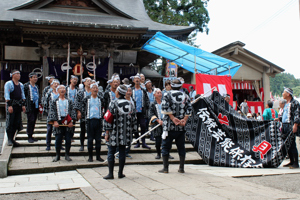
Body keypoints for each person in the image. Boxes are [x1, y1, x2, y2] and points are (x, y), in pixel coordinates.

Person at [103, 85, 137, 179]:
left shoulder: (113, 103)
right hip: (125, 132)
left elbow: (108, 118)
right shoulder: (130, 104)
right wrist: (133, 130)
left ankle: (110, 173)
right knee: (122, 152)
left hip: (114, 132)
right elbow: (134, 119)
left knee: (111, 151)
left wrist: (107, 132)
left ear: (117, 92)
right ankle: (120, 173)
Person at [159, 78, 192, 173]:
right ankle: (181, 168)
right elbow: (189, 108)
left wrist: (173, 118)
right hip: (181, 127)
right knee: (181, 147)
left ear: (171, 86)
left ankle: (165, 168)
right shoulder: (185, 96)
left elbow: (165, 107)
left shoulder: (166, 94)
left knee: (165, 147)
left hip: (169, 126)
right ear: (181, 86)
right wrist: (184, 120)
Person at [48, 85, 76, 162]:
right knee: (58, 139)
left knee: (68, 139)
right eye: (61, 88)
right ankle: (57, 155)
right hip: (58, 120)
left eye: (64, 88)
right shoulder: (54, 101)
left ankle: (67, 154)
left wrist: (71, 121)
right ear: (58, 90)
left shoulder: (69, 100)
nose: (62, 90)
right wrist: (54, 121)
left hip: (67, 120)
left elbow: (73, 111)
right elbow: (52, 111)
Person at [275, 88, 300, 169]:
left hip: (291, 125)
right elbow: (286, 114)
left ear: (288, 94)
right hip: (285, 125)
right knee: (287, 144)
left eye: (284, 92)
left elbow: (297, 114)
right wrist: (279, 118)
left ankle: (296, 163)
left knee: (292, 144)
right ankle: (291, 161)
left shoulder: (295, 102)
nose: (282, 94)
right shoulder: (286, 103)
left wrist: (295, 125)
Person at [81, 83, 104, 162]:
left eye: (96, 88)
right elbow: (83, 108)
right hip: (90, 120)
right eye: (93, 88)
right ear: (90, 89)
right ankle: (90, 156)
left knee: (98, 139)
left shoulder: (100, 98)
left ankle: (98, 156)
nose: (95, 89)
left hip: (98, 120)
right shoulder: (87, 99)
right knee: (90, 139)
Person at [149, 88, 174, 160]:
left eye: (160, 93)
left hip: (166, 124)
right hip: (157, 125)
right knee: (158, 141)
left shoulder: (165, 102)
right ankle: (158, 153)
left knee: (167, 140)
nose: (160, 94)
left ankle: (167, 153)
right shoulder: (152, 104)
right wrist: (157, 120)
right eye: (158, 93)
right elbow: (151, 114)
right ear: (154, 95)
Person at [4, 69, 26, 146]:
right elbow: (7, 95)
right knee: (10, 122)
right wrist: (9, 105)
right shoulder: (9, 84)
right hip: (12, 105)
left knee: (17, 123)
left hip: (18, 105)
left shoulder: (21, 84)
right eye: (17, 74)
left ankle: (12, 139)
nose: (19, 75)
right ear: (13, 75)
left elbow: (22, 95)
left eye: (19, 74)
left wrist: (23, 105)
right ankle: (9, 139)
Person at [131, 73, 151, 149]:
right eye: (135, 79)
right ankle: (137, 142)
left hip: (142, 112)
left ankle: (143, 142)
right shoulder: (131, 90)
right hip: (134, 112)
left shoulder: (143, 91)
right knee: (135, 127)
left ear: (140, 80)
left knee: (143, 126)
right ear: (133, 80)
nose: (137, 80)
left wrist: (147, 108)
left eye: (138, 79)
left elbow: (147, 100)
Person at [74, 77, 92, 151]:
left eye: (90, 81)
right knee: (83, 130)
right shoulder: (80, 92)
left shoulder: (93, 91)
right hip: (83, 114)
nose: (89, 82)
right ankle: (82, 145)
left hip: (91, 113)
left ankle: (90, 144)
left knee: (91, 131)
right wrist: (78, 112)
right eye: (87, 81)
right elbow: (77, 102)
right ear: (84, 83)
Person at [44, 79, 60, 150]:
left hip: (59, 113)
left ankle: (59, 144)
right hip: (50, 113)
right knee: (49, 129)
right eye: (55, 84)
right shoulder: (49, 93)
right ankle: (48, 144)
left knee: (59, 130)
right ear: (51, 85)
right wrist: (48, 112)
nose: (56, 85)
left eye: (57, 84)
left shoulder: (61, 93)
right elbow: (45, 103)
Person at [24, 72, 40, 143]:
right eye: (34, 77)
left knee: (33, 121)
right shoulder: (26, 86)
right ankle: (29, 136)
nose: (35, 79)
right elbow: (23, 96)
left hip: (35, 105)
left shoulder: (36, 86)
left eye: (36, 77)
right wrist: (24, 105)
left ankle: (31, 134)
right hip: (29, 105)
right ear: (30, 78)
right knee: (30, 120)